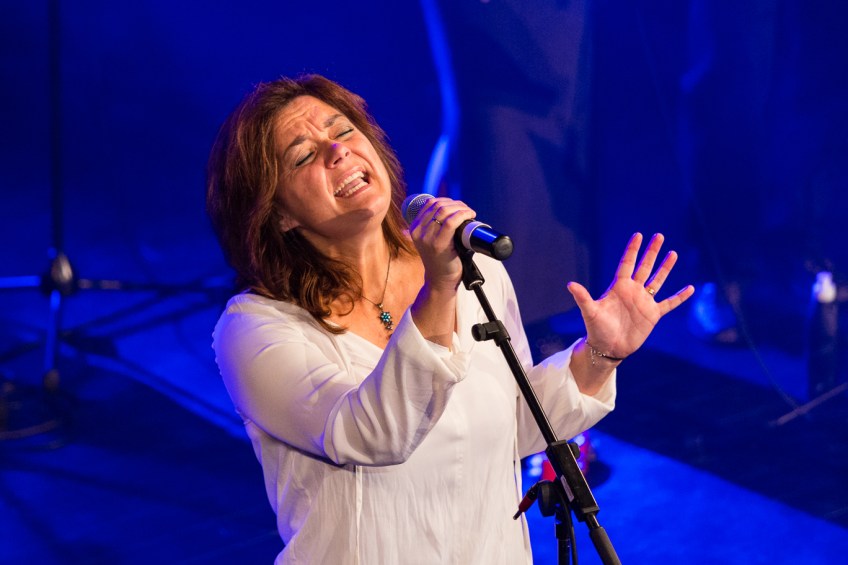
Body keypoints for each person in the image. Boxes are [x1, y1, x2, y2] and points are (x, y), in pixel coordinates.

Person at [206, 74, 694, 564]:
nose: (337, 151)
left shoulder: (474, 268)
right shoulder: (254, 329)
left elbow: (512, 424)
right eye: (304, 156)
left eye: (344, 131)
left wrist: (601, 354)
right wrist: (438, 289)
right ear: (278, 213)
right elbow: (370, 435)